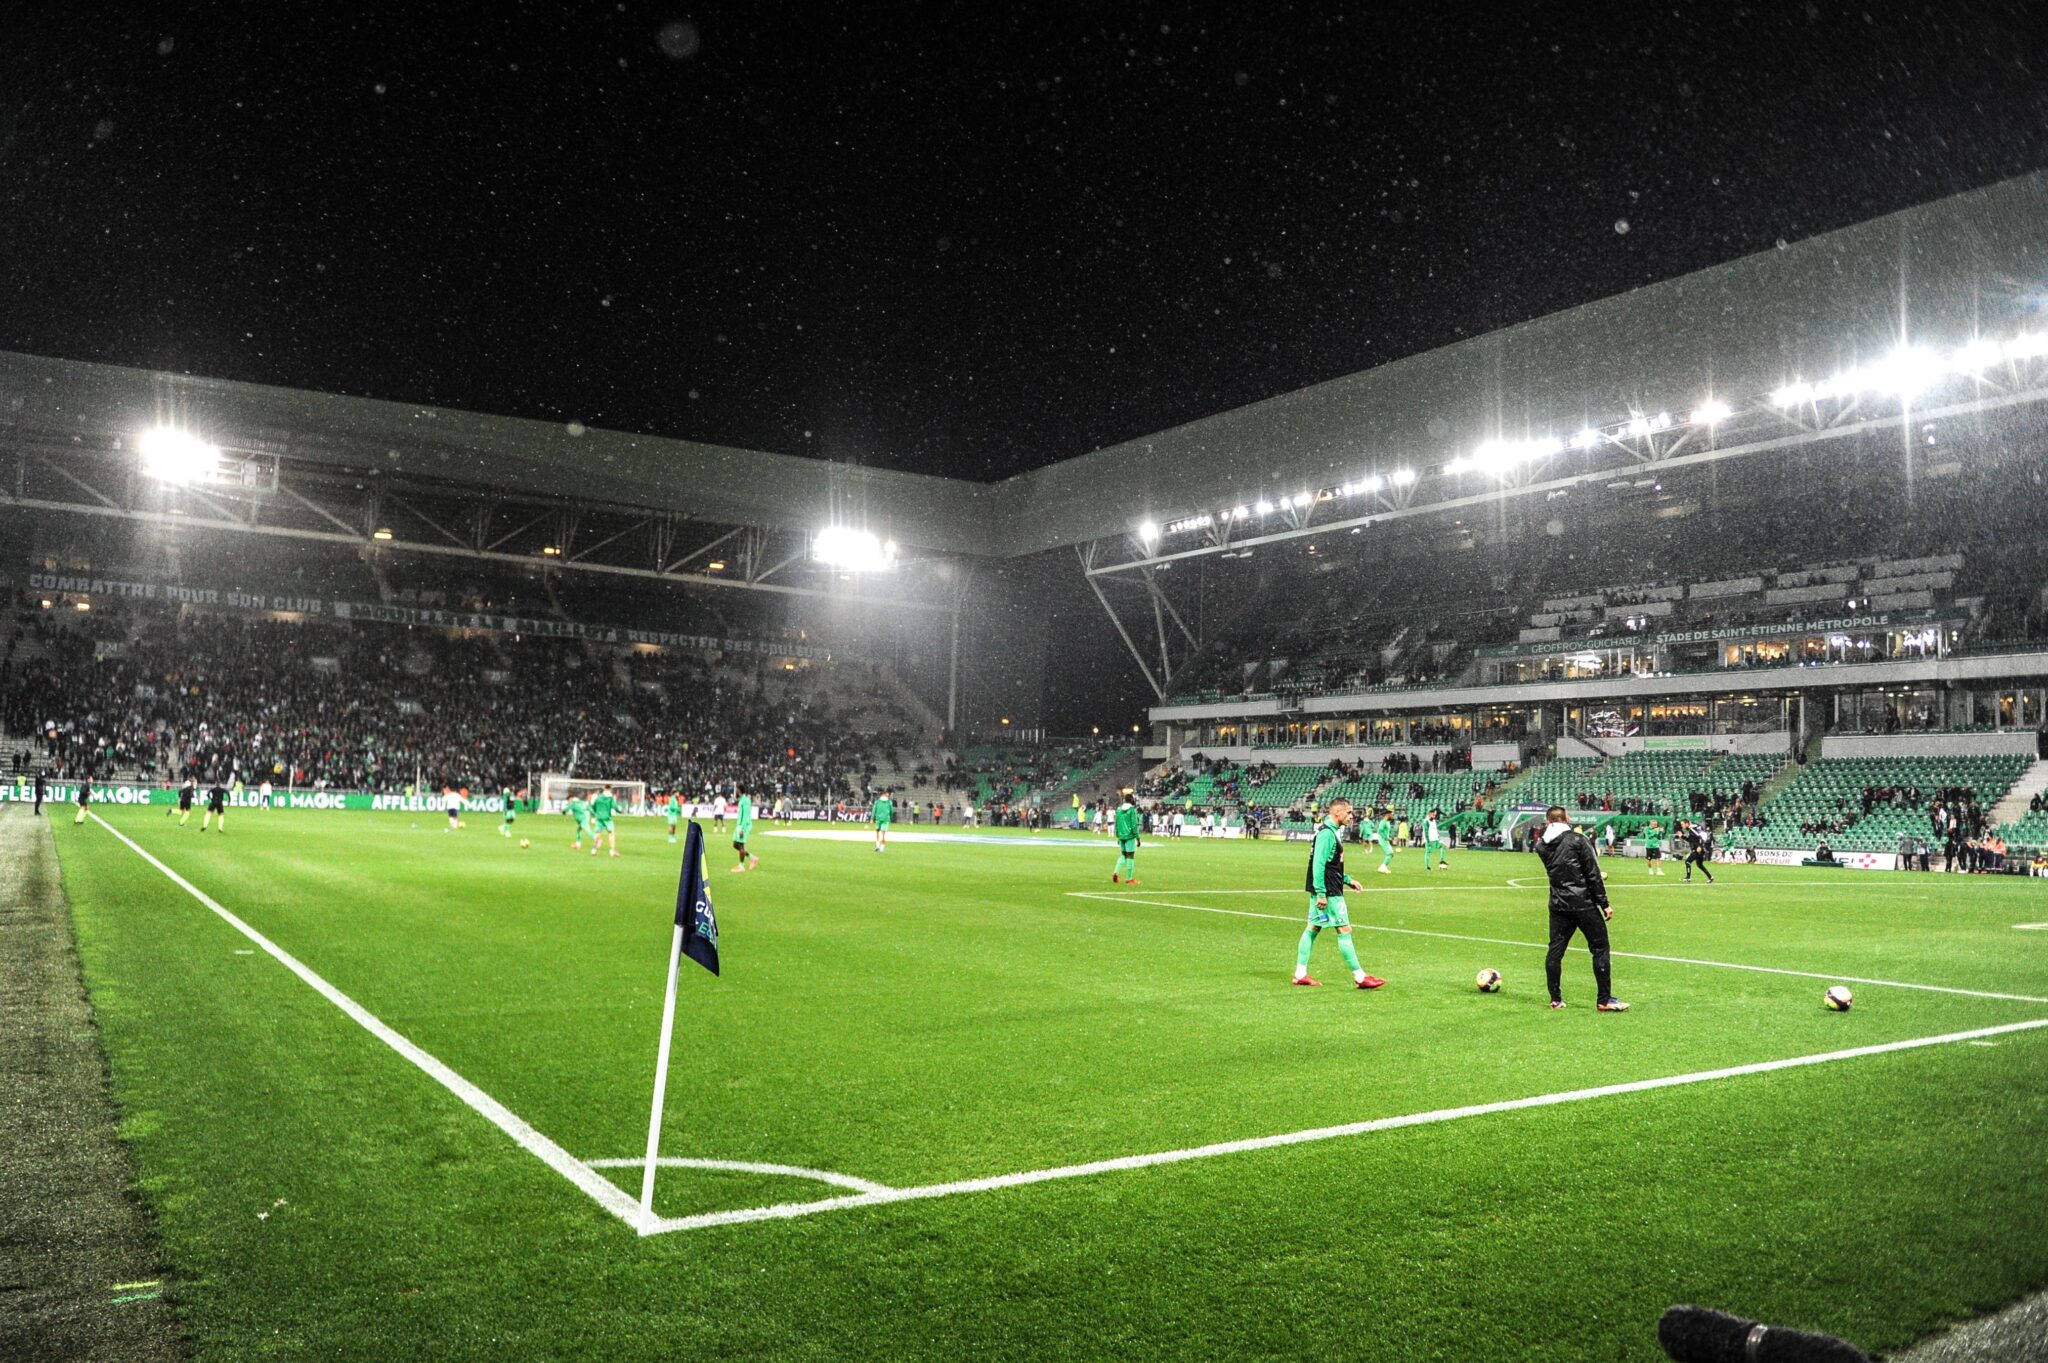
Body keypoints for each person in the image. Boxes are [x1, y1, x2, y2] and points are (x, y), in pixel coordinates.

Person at [1534, 806, 1628, 1011]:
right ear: (1566, 819)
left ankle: (1555, 999)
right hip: (1582, 902)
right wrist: (1604, 903)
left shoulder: (1541, 845)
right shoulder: (1577, 840)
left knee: (1555, 950)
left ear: (1548, 821)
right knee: (1600, 947)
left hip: (1558, 903)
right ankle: (1604, 999)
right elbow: (1592, 874)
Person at [1292, 797, 1385, 990]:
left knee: (1313, 928)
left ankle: (1300, 974)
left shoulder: (1330, 832)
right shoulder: (1327, 834)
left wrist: (1348, 880)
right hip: (1329, 892)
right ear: (1337, 813)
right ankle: (1360, 977)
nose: (1352, 816)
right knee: (1344, 930)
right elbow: (1318, 864)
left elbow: (1332, 865)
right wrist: (1321, 893)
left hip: (1328, 887)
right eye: (1349, 812)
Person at [1111, 793, 1142, 886]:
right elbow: (1134, 825)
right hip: (1129, 836)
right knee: (1130, 856)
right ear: (1132, 800)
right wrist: (1138, 838)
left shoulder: (1119, 810)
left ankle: (1116, 872)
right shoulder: (1132, 810)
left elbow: (1116, 823)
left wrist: (1118, 836)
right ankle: (1129, 878)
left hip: (1121, 836)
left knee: (1123, 855)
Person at [730, 784, 759, 872]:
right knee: (735, 844)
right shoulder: (742, 800)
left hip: (743, 826)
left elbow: (746, 816)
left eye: (737, 790)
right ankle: (753, 858)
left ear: (740, 790)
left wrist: (742, 829)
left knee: (741, 845)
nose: (736, 792)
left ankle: (741, 867)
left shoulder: (745, 801)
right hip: (739, 825)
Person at [589, 786, 619, 858]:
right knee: (611, 833)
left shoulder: (598, 797)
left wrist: (595, 815)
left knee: (598, 834)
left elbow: (593, 806)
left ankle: (594, 850)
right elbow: (615, 807)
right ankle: (612, 851)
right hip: (607, 819)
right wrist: (620, 810)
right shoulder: (610, 798)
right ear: (610, 789)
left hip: (599, 818)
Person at [872, 788, 894, 852]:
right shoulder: (889, 802)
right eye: (887, 795)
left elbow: (874, 810)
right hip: (884, 819)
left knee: (879, 833)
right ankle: (880, 846)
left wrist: (872, 818)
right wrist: (890, 816)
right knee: (882, 833)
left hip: (879, 819)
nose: (888, 796)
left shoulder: (877, 802)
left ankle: (879, 846)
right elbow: (891, 811)